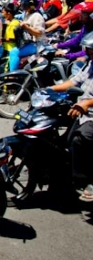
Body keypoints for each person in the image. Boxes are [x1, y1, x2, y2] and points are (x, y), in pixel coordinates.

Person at [48, 32, 93, 201]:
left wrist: (87, 103)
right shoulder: (90, 64)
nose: (89, 53)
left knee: (80, 139)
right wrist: (49, 89)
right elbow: (73, 82)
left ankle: (87, 181)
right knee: (62, 142)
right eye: (88, 50)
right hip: (81, 111)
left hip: (90, 115)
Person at [9, 0, 46, 71]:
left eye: (24, 4)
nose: (23, 6)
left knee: (14, 52)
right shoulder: (27, 13)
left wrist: (26, 27)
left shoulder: (37, 16)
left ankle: (13, 74)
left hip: (37, 44)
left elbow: (38, 33)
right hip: (28, 42)